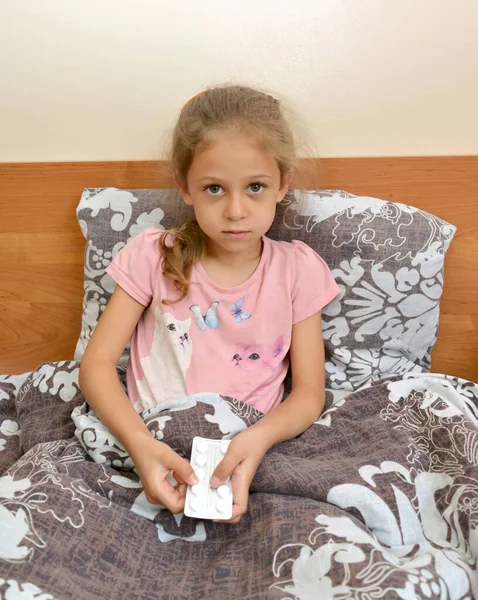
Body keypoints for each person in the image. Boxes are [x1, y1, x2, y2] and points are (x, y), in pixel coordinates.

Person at [79, 85, 340, 523]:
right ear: (184, 187)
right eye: (214, 188)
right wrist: (143, 447)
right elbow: (97, 365)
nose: (236, 210)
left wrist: (256, 441)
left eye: (255, 186)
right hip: (151, 437)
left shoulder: (298, 270)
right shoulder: (153, 256)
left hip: (252, 443)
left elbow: (310, 392)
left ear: (283, 183)